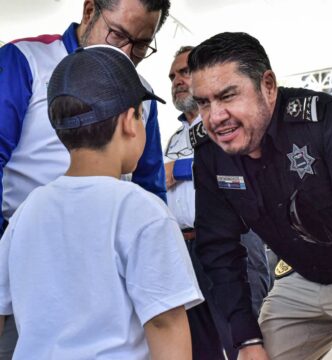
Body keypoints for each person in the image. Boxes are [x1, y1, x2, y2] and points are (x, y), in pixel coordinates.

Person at [0, 45, 203, 360]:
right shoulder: (141, 209)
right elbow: (165, 323)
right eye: (140, 114)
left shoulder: (27, 211)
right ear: (128, 122)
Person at [188, 31, 332, 360]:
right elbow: (219, 248)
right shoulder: (211, 152)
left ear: (268, 85)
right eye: (204, 102)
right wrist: (246, 339)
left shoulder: (327, 123)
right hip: (302, 279)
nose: (215, 116)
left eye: (227, 96)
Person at [165, 45, 270, 360]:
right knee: (202, 345)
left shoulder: (233, 120)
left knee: (246, 340)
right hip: (186, 250)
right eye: (172, 76)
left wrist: (180, 169)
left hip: (230, 243)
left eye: (184, 72)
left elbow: (243, 167)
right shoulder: (175, 137)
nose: (177, 80)